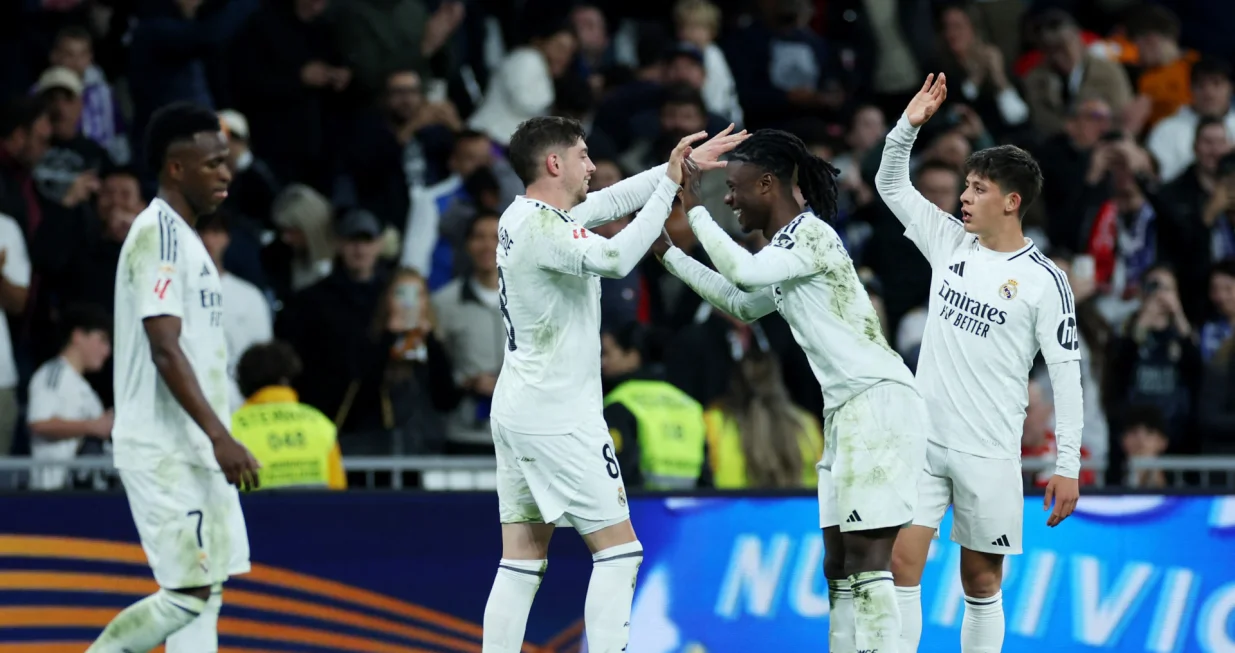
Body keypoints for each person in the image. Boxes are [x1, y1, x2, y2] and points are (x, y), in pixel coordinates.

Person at [653, 130, 928, 653]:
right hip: (847, 411)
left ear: (767, 183)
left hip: (879, 404)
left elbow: (742, 270)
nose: (729, 199)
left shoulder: (813, 236)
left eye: (733, 188)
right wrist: (669, 255)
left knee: (869, 561)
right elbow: (741, 300)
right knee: (839, 564)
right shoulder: (786, 251)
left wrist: (695, 212)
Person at [481, 115, 746, 653]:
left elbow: (607, 203)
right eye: (582, 155)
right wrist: (670, 185)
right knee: (619, 553)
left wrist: (679, 166)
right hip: (558, 415)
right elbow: (616, 257)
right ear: (554, 163)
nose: (593, 165)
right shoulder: (542, 229)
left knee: (522, 559)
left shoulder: (523, 216)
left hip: (519, 407)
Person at [874, 74, 1084, 653]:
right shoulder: (949, 243)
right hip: (924, 439)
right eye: (965, 186)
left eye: (978, 189)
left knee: (982, 581)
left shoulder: (1046, 282)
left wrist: (1067, 463)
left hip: (990, 448)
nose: (963, 197)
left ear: (1011, 202)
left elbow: (1066, 372)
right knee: (899, 564)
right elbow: (890, 181)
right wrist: (908, 125)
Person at [88, 102, 261, 653]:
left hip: (194, 446)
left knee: (206, 594)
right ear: (175, 168)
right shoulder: (158, 233)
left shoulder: (187, 240)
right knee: (186, 592)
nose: (226, 173)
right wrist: (220, 436)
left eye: (227, 162)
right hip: (164, 446)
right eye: (212, 163)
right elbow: (165, 349)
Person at [232, 340, 345, 490]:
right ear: (288, 377)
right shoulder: (321, 424)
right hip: (314, 513)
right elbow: (338, 490)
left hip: (253, 513)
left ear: (242, 382)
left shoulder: (231, 427)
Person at [26, 304, 113, 491]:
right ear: (78, 336)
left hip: (85, 493)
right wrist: (93, 426)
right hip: (52, 494)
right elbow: (39, 423)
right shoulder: (52, 374)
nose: (107, 351)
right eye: (102, 340)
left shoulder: (86, 390)